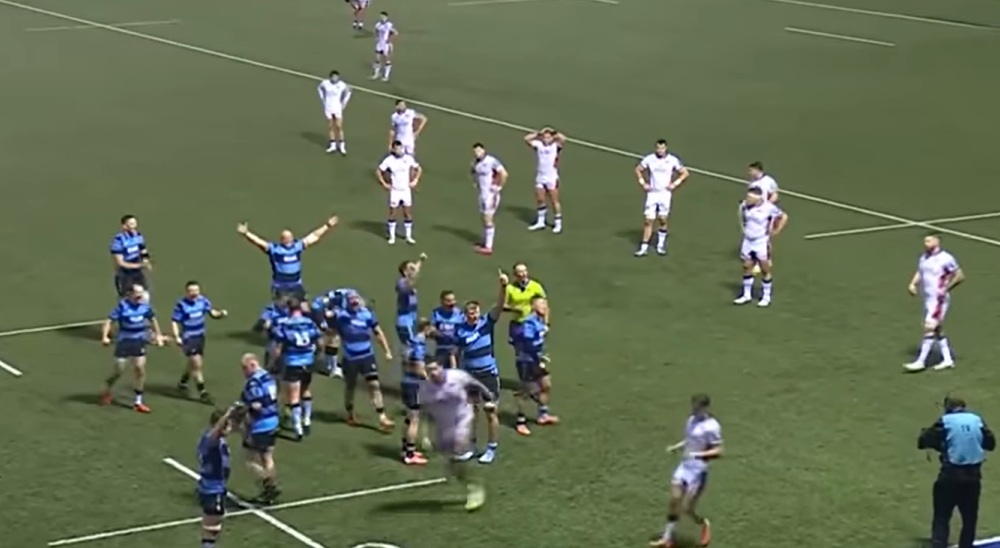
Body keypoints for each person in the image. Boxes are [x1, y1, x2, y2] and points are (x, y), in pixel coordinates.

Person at [917, 396, 996, 548]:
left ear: (947, 408)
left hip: (950, 476)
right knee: (969, 519)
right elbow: (990, 443)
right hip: (973, 478)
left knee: (942, 517)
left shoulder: (945, 421)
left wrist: (930, 437)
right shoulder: (977, 420)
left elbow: (923, 442)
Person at [417, 360, 496, 511]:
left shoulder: (457, 376)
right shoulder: (426, 389)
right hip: (444, 425)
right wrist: (425, 435)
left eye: (435, 368)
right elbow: (425, 413)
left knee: (458, 446)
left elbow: (474, 383)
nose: (433, 373)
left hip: (463, 418)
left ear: (441, 367)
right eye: (429, 370)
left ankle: (475, 488)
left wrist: (487, 394)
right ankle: (456, 469)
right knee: (450, 455)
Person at [651, 393, 722, 548]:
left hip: (698, 470)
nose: (694, 411)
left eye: (697, 409)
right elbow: (690, 439)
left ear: (705, 408)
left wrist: (696, 455)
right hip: (684, 466)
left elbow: (718, 451)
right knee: (674, 499)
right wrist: (677, 447)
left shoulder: (712, 426)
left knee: (686, 509)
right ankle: (667, 538)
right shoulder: (691, 420)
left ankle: (703, 523)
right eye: (693, 407)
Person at [454, 270, 509, 464]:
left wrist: (503, 287)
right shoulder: (460, 330)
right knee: (471, 412)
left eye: (476, 312)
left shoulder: (487, 322)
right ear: (465, 315)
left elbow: (500, 306)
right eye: (471, 313)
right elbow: (457, 351)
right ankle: (471, 446)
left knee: (490, 410)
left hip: (487, 374)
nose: (474, 315)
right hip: (470, 375)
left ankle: (491, 448)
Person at [329, 292, 395, 431]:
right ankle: (350, 413)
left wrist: (387, 350)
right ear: (347, 303)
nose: (355, 304)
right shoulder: (341, 317)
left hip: (367, 356)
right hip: (350, 359)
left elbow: (378, 332)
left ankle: (382, 416)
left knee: (374, 385)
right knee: (350, 387)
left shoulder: (367, 314)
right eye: (352, 302)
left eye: (356, 301)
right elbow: (331, 332)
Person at [237, 215, 339, 299]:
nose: (289, 240)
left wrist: (327, 226)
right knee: (282, 309)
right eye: (287, 238)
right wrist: (246, 234)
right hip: (281, 287)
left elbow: (314, 236)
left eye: (290, 237)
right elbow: (258, 242)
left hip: (296, 285)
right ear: (282, 240)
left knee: (304, 308)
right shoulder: (275, 250)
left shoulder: (297, 247)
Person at [99, 284, 166, 412]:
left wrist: (158, 335)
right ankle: (107, 390)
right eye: (137, 293)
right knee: (119, 370)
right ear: (130, 294)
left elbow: (153, 319)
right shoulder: (122, 307)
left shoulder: (145, 307)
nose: (140, 296)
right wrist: (104, 337)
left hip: (139, 342)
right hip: (124, 342)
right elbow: (109, 321)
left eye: (141, 293)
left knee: (140, 369)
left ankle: (138, 402)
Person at [904, 234, 965, 372]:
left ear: (937, 241)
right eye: (925, 240)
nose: (925, 243)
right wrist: (913, 284)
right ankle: (948, 360)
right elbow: (920, 271)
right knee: (937, 329)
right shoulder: (924, 257)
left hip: (939, 300)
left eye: (929, 240)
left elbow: (960, 275)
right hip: (928, 299)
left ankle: (921, 362)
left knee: (929, 327)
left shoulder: (946, 258)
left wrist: (946, 289)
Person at [272, 299, 322, 440]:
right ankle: (307, 420)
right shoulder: (309, 323)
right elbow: (319, 342)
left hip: (293, 362)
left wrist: (275, 362)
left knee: (294, 396)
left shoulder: (284, 325)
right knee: (305, 390)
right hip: (308, 361)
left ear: (289, 309)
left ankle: (297, 428)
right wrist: (317, 354)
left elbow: (278, 348)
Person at [171, 281, 228, 404]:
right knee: (197, 363)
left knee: (193, 362)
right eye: (191, 291)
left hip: (200, 336)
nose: (194, 293)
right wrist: (177, 336)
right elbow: (175, 321)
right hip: (188, 337)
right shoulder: (181, 305)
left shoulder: (203, 301)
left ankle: (183, 381)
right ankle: (203, 392)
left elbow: (212, 312)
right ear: (186, 292)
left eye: (196, 290)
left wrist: (220, 314)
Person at [733, 187, 788, 308]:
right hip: (748, 240)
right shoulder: (745, 206)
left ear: (758, 198)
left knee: (764, 269)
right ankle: (746, 295)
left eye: (750, 197)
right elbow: (742, 217)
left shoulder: (769, 208)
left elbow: (783, 216)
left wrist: (776, 231)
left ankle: (766, 297)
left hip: (761, 241)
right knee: (747, 266)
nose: (747, 199)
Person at [634, 139, 690, 257]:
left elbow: (685, 173)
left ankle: (660, 244)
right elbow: (638, 169)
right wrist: (643, 183)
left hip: (665, 194)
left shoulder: (672, 160)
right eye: (658, 148)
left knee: (662, 219)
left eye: (662, 148)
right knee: (648, 220)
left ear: (666, 148)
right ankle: (644, 247)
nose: (660, 150)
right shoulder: (649, 159)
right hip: (652, 194)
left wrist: (675, 184)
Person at [197, 404, 241, 548]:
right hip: (212, 489)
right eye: (229, 425)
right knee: (212, 530)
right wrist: (227, 414)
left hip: (211, 487)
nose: (231, 428)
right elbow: (216, 433)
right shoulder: (212, 441)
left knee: (210, 529)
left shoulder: (209, 438)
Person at [513, 296, 559, 435]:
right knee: (526, 392)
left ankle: (543, 414)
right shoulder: (529, 323)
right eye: (541, 304)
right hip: (527, 361)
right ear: (533, 307)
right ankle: (520, 422)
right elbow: (528, 343)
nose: (544, 307)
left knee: (546, 385)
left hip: (536, 360)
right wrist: (539, 356)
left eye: (545, 304)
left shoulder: (540, 320)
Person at [240, 353, 281, 504]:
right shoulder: (268, 377)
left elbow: (256, 406)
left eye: (245, 368)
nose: (244, 372)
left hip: (260, 425)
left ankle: (269, 484)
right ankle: (268, 491)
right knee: (267, 457)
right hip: (273, 421)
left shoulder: (254, 382)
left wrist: (244, 410)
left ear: (252, 365)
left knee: (249, 460)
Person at [401, 318, 433, 466]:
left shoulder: (409, 342)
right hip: (414, 384)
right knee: (414, 419)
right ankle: (410, 454)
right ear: (426, 328)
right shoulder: (419, 345)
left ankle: (405, 448)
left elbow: (405, 362)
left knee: (408, 418)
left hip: (406, 381)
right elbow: (419, 368)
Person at [378, 142, 422, 245]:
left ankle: (408, 236)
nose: (399, 151)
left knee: (407, 213)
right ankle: (392, 237)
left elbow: (418, 169)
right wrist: (384, 183)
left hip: (405, 190)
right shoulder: (389, 160)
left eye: (400, 148)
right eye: (397, 149)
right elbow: (379, 171)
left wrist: (415, 180)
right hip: (395, 191)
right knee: (393, 213)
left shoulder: (408, 159)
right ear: (393, 149)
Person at [524, 127, 567, 233]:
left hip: (551, 177)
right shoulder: (539, 145)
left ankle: (558, 223)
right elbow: (526, 139)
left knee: (554, 201)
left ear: (552, 138)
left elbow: (563, 139)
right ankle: (541, 221)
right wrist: (538, 133)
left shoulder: (555, 146)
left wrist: (554, 132)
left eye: (548, 137)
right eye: (544, 137)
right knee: (540, 199)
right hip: (540, 176)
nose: (546, 139)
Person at [470, 143, 509, 255]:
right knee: (484, 218)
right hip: (482, 195)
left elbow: (504, 174)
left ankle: (488, 247)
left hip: (491, 195)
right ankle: (486, 241)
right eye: (475, 151)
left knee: (488, 218)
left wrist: (498, 187)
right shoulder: (475, 163)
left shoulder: (491, 161)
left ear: (484, 150)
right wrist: (475, 183)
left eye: (479, 150)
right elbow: (472, 172)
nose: (477, 153)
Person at [504, 263, 548, 352]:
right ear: (515, 274)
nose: (523, 274)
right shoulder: (510, 288)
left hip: (533, 323)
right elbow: (503, 305)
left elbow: (545, 305)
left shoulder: (536, 286)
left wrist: (545, 324)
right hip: (518, 323)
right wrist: (515, 309)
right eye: (520, 272)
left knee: (535, 350)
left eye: (524, 271)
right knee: (520, 351)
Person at [110, 214, 152, 300]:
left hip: (137, 272)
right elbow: (120, 263)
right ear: (124, 226)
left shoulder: (138, 235)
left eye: (135, 223)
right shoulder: (118, 241)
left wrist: (146, 261)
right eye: (131, 224)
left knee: (145, 295)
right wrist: (140, 265)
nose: (134, 226)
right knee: (128, 298)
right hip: (125, 274)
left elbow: (143, 250)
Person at [395, 254, 426, 349]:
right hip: (405, 320)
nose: (414, 270)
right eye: (411, 268)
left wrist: (421, 260)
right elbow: (409, 284)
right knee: (412, 346)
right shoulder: (402, 282)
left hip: (413, 317)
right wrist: (414, 274)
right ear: (405, 272)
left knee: (415, 344)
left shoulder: (409, 279)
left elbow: (416, 270)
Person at [317, 71, 352, 154]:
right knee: (330, 126)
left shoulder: (341, 85)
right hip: (328, 107)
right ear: (330, 77)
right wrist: (322, 98)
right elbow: (319, 88)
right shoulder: (325, 83)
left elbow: (349, 92)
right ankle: (333, 145)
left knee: (339, 126)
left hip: (337, 108)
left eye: (336, 77)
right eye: (333, 77)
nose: (335, 78)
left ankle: (342, 145)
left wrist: (344, 103)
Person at [431, 290, 463, 368]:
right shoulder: (436, 313)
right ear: (442, 302)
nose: (452, 303)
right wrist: (436, 333)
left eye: (453, 300)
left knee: (455, 371)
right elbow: (432, 330)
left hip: (455, 349)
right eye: (448, 301)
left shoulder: (460, 314)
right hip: (441, 348)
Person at [371, 12, 398, 82]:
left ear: (386, 17)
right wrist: (377, 37)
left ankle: (386, 76)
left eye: (383, 17)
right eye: (381, 17)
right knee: (377, 59)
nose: (382, 18)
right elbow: (376, 31)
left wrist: (389, 40)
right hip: (379, 44)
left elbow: (395, 32)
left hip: (386, 45)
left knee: (387, 60)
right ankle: (376, 74)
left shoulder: (388, 25)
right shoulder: (378, 24)